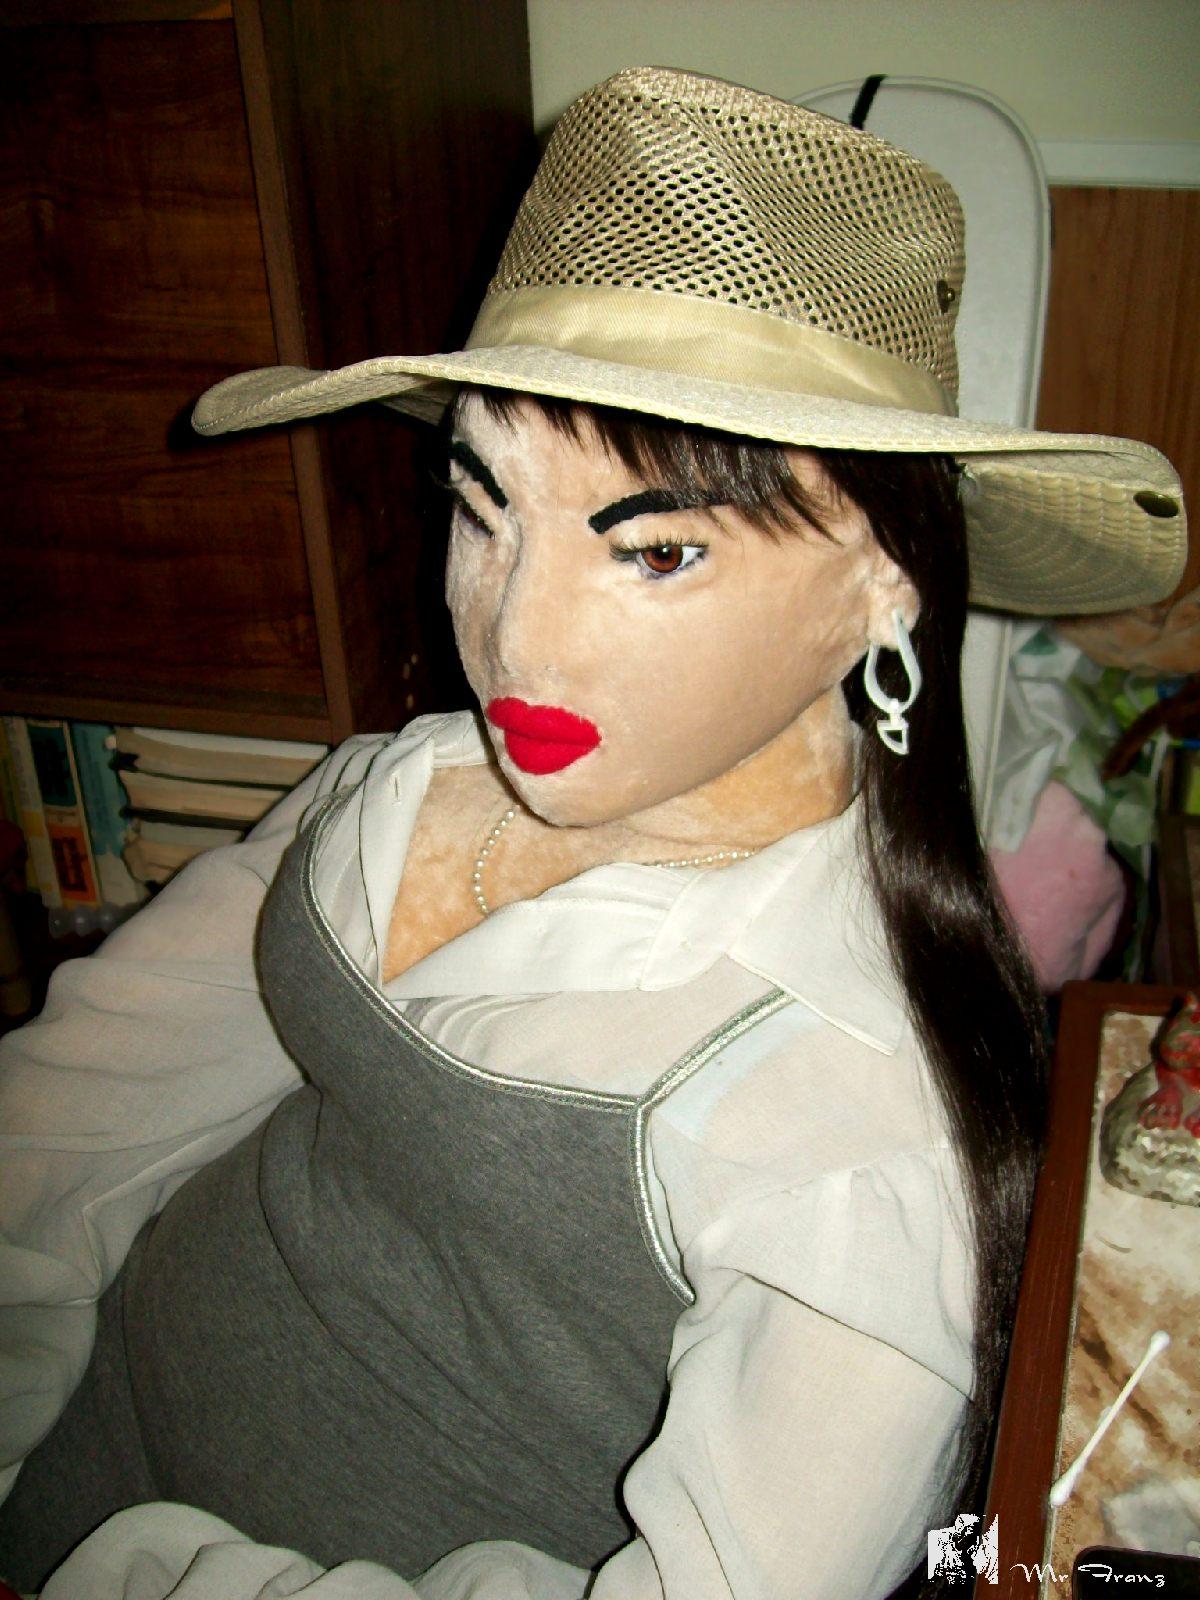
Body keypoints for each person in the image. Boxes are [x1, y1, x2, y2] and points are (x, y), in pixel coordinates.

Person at [0, 67, 1186, 1600]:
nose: (519, 641)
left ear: (882, 582)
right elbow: (78, 1111)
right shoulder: (401, 786)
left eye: (658, 551)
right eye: (484, 507)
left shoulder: (849, 1149)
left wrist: (129, 1573)